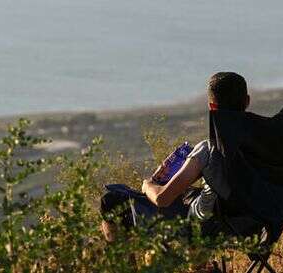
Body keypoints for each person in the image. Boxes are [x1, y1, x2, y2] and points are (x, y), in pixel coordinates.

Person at [100, 71, 248, 241]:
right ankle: (199, 266)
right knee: (187, 193)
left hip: (204, 227)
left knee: (110, 200)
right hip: (253, 228)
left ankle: (121, 266)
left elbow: (162, 199)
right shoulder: (269, 149)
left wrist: (148, 185)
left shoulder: (209, 149)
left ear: (212, 107)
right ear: (247, 101)